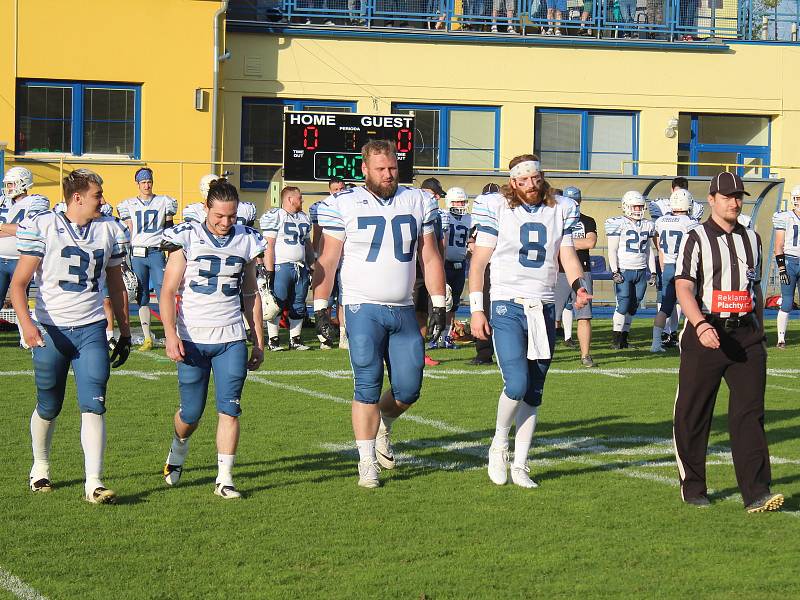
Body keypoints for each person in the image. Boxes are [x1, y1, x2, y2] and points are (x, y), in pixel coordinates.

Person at [312, 140, 446, 488]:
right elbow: (327, 259)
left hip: (402, 308)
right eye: (381, 169)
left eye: (393, 168)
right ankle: (366, 460)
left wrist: (439, 302)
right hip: (362, 306)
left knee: (409, 388)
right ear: (365, 170)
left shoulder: (418, 200)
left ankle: (383, 423)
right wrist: (320, 306)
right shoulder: (343, 204)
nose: (388, 175)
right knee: (367, 384)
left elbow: (429, 257)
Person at [11, 168, 132, 503]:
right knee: (49, 405)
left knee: (94, 403)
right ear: (77, 198)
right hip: (51, 329)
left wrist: (124, 330)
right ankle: (41, 467)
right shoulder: (45, 226)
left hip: (92, 328)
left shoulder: (109, 229)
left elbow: (116, 283)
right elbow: (18, 285)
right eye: (97, 194)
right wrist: (27, 324)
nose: (103, 200)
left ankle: (93, 481)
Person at [470, 155, 588, 489]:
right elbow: (479, 263)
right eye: (523, 181)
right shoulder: (495, 206)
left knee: (535, 391)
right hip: (507, 302)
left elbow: (567, 254)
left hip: (544, 304)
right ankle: (498, 444)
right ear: (513, 183)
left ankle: (521, 464)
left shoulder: (562, 207)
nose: (531, 186)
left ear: (542, 178)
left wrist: (579, 286)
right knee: (517, 383)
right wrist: (477, 309)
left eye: (535, 179)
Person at [673, 171, 782, 513]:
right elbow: (683, 287)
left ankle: (757, 492)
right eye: (728, 196)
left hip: (746, 334)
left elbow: (756, 289)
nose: (735, 202)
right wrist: (700, 324)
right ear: (712, 199)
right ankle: (693, 487)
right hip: (707, 328)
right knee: (694, 412)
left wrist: (760, 331)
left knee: (750, 412)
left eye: (739, 196)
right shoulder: (695, 238)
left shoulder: (752, 239)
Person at [159, 179, 265, 499]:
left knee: (230, 408)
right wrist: (169, 335)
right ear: (206, 209)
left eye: (231, 216)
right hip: (192, 337)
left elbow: (250, 293)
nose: (225, 222)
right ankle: (178, 449)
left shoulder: (246, 239)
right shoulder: (188, 237)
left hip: (231, 335)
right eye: (219, 216)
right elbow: (167, 291)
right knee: (190, 414)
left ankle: (225, 478)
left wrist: (258, 340)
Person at [117, 167, 178, 350]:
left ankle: (170, 334)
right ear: (137, 184)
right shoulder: (128, 204)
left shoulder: (163, 201)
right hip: (137, 252)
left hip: (156, 251)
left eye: (149, 181)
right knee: (141, 294)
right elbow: (127, 230)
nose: (147, 185)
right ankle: (147, 338)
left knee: (164, 293)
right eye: (143, 182)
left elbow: (168, 227)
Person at [0, 167, 50, 348]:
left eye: (11, 184)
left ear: (23, 183)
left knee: (20, 299)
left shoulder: (37, 201)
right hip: (0, 258)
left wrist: (4, 227)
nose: (8, 188)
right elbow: (19, 228)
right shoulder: (2, 201)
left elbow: (27, 228)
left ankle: (26, 338)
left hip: (21, 259)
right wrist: (12, 228)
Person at [259, 186, 314, 351]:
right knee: (277, 303)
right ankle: (273, 341)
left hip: (300, 267)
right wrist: (269, 271)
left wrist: (311, 266)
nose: (302, 200)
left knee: (299, 304)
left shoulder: (303, 218)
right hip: (281, 266)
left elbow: (308, 245)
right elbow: (269, 245)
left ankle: (295, 340)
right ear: (290, 199)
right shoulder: (276, 216)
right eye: (300, 197)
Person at [605, 191, 657, 349]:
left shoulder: (647, 225)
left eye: (641, 206)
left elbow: (648, 251)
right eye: (635, 206)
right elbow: (612, 250)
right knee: (623, 304)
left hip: (640, 271)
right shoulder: (618, 223)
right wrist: (615, 271)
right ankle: (616, 339)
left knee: (634, 306)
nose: (638, 209)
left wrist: (653, 272)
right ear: (627, 206)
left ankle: (624, 339)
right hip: (625, 270)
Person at [553, 186, 597, 367]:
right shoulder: (557, 220)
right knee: (550, 316)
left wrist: (568, 244)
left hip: (583, 271)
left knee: (584, 316)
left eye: (577, 200)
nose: (575, 204)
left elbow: (590, 242)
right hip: (559, 272)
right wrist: (572, 245)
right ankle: (545, 353)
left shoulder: (587, 220)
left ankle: (585, 355)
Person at [650, 189, 698, 352]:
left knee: (665, 307)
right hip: (685, 268)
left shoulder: (661, 221)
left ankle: (655, 343)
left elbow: (657, 241)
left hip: (668, 267)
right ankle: (688, 341)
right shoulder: (690, 222)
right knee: (692, 305)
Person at [309, 177, 347, 350]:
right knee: (328, 299)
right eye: (336, 189)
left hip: (347, 260)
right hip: (330, 259)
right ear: (330, 190)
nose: (339, 191)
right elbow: (318, 235)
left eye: (342, 188)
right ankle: (324, 336)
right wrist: (317, 257)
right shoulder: (324, 206)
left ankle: (343, 336)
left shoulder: (352, 203)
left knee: (344, 299)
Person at [436, 186, 472, 350]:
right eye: (457, 201)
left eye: (462, 201)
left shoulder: (469, 219)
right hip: (445, 264)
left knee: (454, 304)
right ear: (450, 201)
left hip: (460, 265)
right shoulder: (443, 216)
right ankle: (436, 334)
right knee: (441, 302)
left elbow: (471, 240)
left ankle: (446, 336)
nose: (460, 204)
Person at [468, 182, 499, 366]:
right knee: (483, 308)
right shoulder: (480, 221)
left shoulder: (506, 215)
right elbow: (471, 240)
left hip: (501, 267)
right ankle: (484, 351)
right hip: (485, 267)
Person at [418, 177, 448, 366]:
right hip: (410, 269)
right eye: (435, 193)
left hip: (426, 271)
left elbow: (438, 247)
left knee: (422, 313)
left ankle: (420, 353)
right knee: (403, 315)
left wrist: (441, 274)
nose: (437, 197)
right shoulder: (412, 208)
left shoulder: (435, 216)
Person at [773, 184, 800, 349]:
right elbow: (779, 244)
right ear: (794, 199)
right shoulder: (785, 217)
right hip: (789, 262)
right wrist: (781, 267)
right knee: (787, 302)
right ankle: (781, 339)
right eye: (799, 198)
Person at [183, 174, 258, 227]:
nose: (225, 223)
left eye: (232, 216)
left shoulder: (194, 209)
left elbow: (194, 234)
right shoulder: (247, 208)